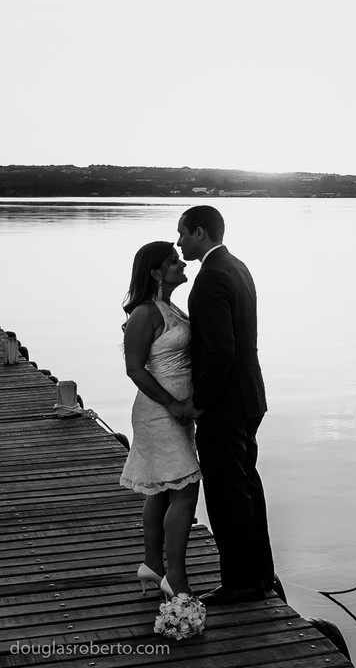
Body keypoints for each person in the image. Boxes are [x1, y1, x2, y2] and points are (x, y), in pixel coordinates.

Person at [175, 205, 275, 605]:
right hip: (249, 396)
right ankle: (260, 575)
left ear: (200, 233)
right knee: (247, 486)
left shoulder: (211, 277)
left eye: (182, 233)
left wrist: (199, 402)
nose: (179, 241)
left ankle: (242, 583)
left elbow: (218, 350)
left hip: (226, 404)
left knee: (227, 494)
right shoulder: (238, 266)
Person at [119, 241, 201, 600]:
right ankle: (176, 579)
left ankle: (153, 565)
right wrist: (171, 404)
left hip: (179, 410)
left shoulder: (170, 307)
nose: (181, 263)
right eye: (173, 262)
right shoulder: (145, 313)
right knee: (185, 489)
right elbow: (134, 369)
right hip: (159, 411)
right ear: (155, 272)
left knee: (163, 489)